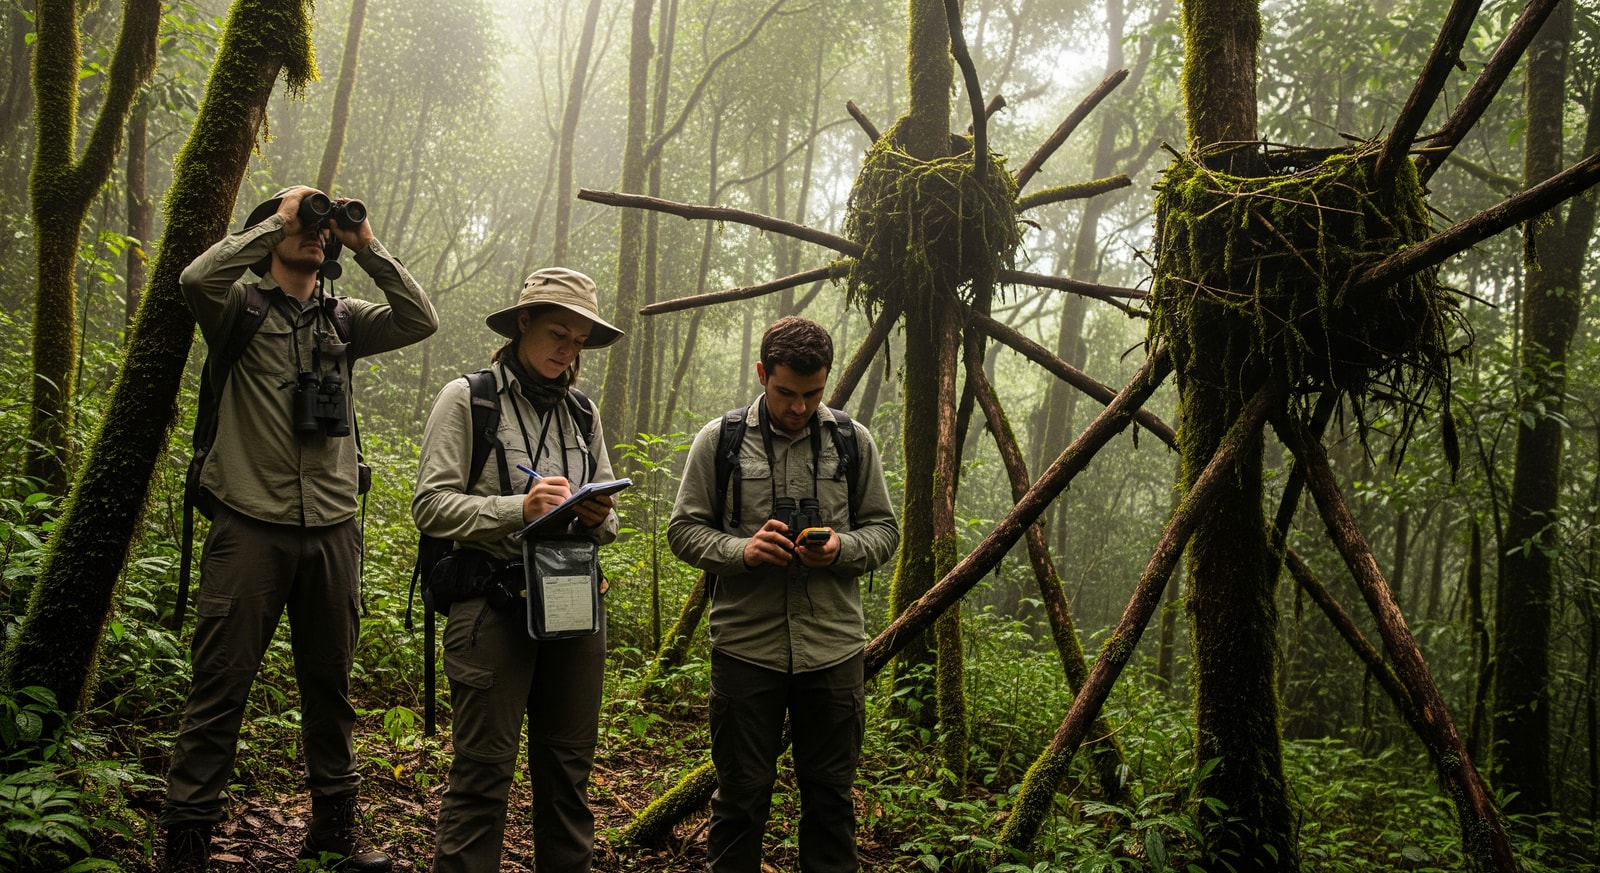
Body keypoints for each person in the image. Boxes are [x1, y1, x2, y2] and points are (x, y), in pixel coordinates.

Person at [160, 186, 438, 872]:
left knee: (331, 688)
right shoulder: (237, 308)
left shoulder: (345, 318)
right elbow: (196, 275)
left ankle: (334, 835)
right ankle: (187, 847)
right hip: (249, 524)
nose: (317, 233)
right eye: (304, 223)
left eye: (322, 227)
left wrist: (364, 242)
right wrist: (278, 221)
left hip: (333, 529)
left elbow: (420, 318)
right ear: (271, 231)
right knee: (220, 686)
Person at [668, 316, 900, 873]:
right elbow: (683, 530)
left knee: (830, 801)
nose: (799, 408)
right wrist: (742, 552)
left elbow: (885, 531)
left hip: (833, 651)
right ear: (761, 374)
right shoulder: (720, 439)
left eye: (813, 394)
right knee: (740, 799)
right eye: (786, 393)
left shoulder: (852, 440)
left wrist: (839, 549)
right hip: (747, 649)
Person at [413, 267, 623, 873]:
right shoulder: (469, 398)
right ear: (522, 323)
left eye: (580, 341)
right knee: (482, 776)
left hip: (575, 604)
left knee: (568, 777)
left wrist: (594, 513)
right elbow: (429, 504)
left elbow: (608, 524)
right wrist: (517, 508)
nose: (568, 350)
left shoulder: (583, 414)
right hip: (492, 606)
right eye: (559, 333)